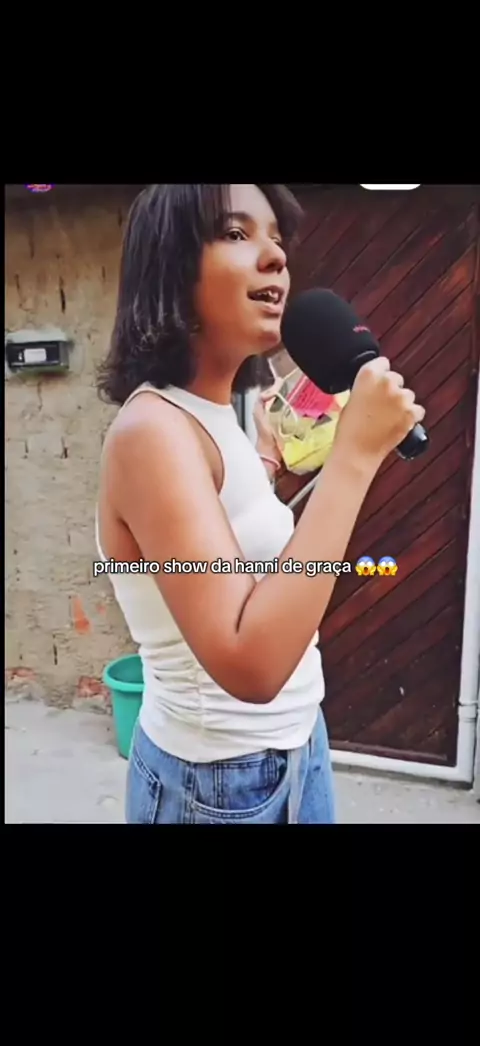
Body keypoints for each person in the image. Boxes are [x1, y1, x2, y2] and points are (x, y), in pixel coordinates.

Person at [96, 183, 425, 824]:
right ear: (171, 266)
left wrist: (268, 466)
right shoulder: (151, 432)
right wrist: (355, 456)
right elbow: (251, 666)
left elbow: (238, 555)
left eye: (276, 238)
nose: (276, 256)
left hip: (298, 743)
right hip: (218, 782)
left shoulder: (220, 416)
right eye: (237, 233)